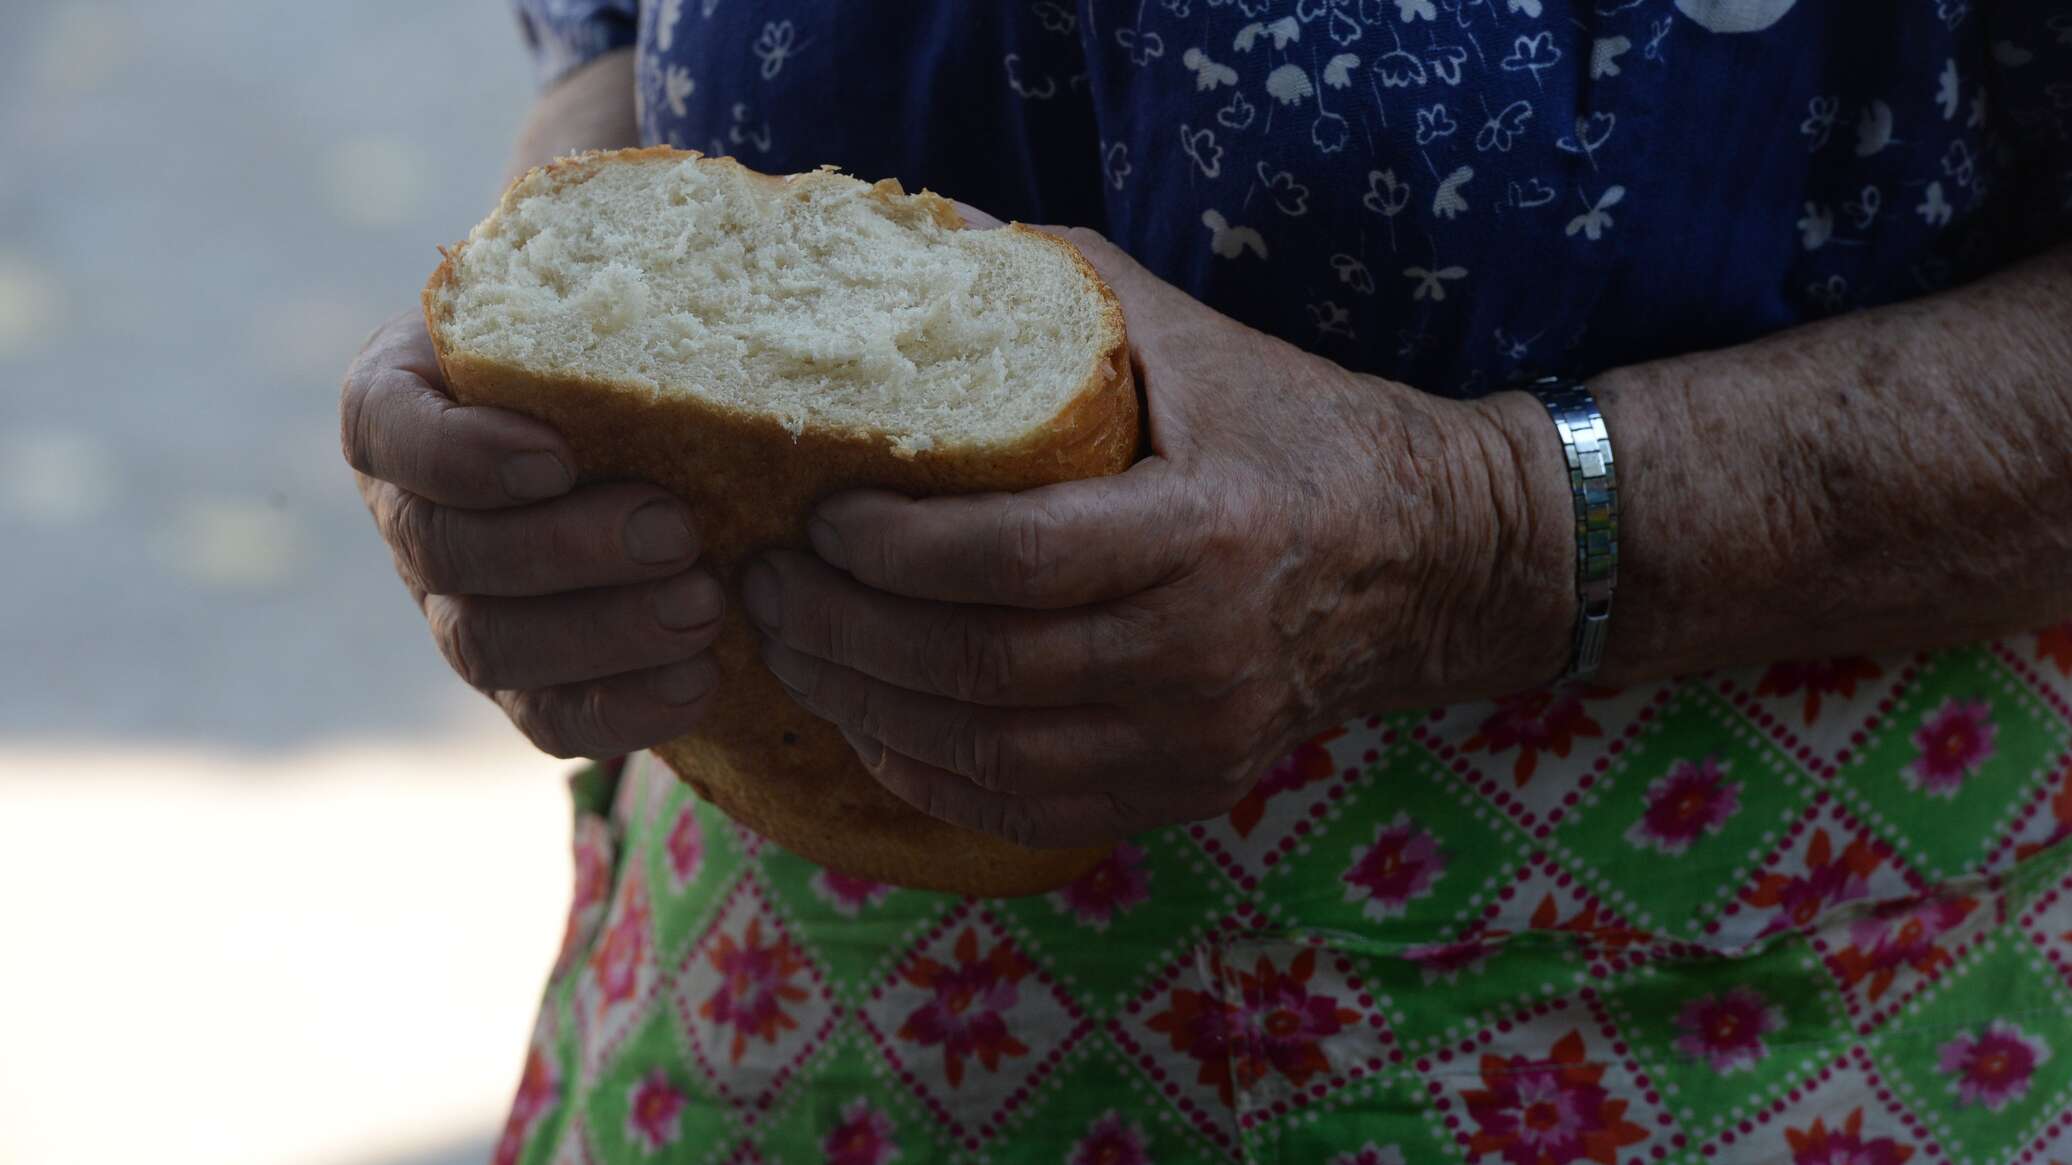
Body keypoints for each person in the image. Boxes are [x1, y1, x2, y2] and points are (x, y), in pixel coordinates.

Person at [340, 3, 2072, 1162]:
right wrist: (569, 311)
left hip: (1743, 995)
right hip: (807, 1008)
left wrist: (1491, 532)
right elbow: (621, 37)